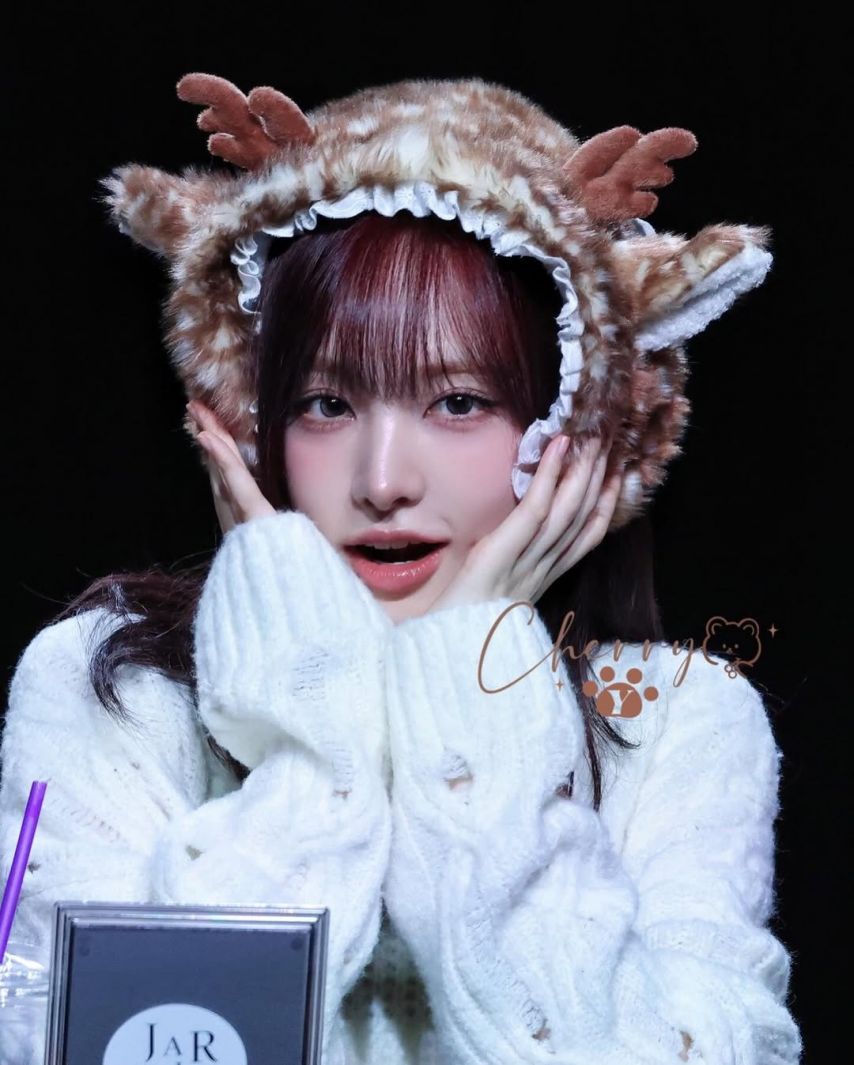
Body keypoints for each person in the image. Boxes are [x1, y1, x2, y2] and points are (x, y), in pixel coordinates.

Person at [0, 74, 802, 1064]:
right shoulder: (111, 688)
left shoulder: (674, 720)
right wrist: (313, 727)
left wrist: (473, 675)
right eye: (326, 405)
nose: (382, 482)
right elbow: (87, 1043)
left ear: (575, 425)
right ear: (251, 423)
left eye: (458, 402)